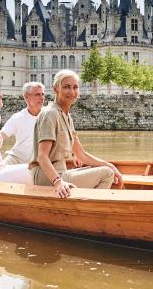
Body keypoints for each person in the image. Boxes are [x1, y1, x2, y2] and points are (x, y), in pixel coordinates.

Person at [29, 69, 122, 198]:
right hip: (46, 176)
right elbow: (42, 157)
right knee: (107, 174)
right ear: (56, 89)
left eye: (75, 87)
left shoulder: (66, 116)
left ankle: (84, 207)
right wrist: (58, 182)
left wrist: (110, 165)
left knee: (108, 169)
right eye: (66, 87)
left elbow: (81, 154)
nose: (72, 92)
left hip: (60, 172)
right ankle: (89, 211)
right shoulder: (50, 114)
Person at [1, 82, 45, 165]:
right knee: (0, 171)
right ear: (26, 97)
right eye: (37, 94)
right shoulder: (18, 117)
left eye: (42, 94)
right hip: (17, 158)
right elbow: (1, 136)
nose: (42, 97)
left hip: (40, 161)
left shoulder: (49, 115)